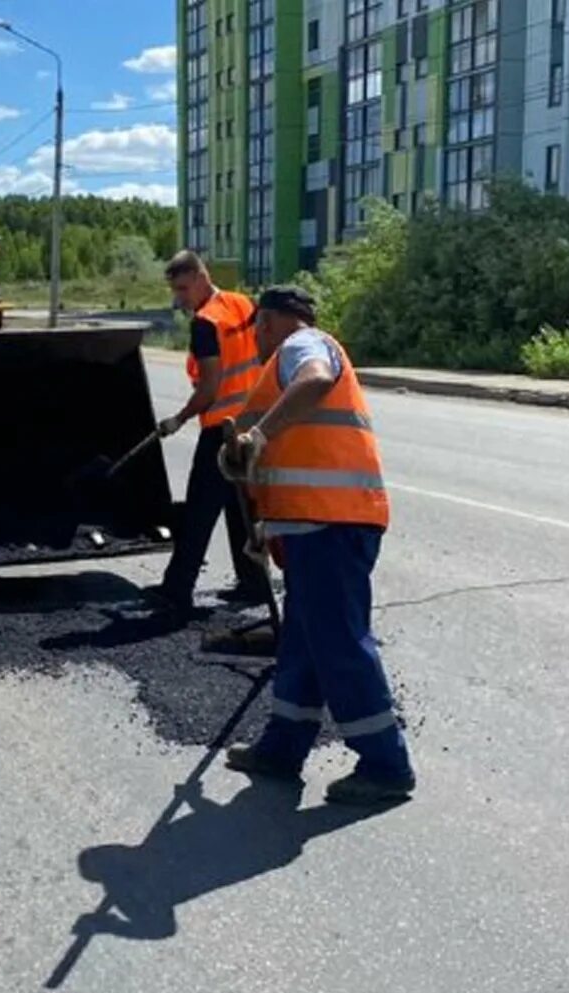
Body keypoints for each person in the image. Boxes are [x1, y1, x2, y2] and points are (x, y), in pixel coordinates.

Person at [219, 284, 415, 806]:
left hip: (333, 524)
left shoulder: (303, 346)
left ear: (274, 320)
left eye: (259, 324)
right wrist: (266, 527)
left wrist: (256, 436)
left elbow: (317, 379)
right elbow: (293, 462)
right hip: (313, 527)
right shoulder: (281, 364)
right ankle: (281, 749)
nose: (256, 335)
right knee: (303, 646)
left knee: (339, 644)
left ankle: (386, 764)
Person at [146, 250, 271, 616]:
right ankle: (253, 583)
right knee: (241, 507)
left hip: (221, 430)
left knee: (199, 512)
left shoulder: (205, 323)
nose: (180, 298)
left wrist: (180, 418)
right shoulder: (241, 303)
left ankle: (176, 590)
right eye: (176, 291)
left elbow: (210, 387)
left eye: (184, 289)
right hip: (251, 426)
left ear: (202, 277)